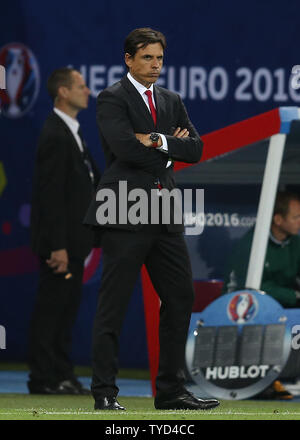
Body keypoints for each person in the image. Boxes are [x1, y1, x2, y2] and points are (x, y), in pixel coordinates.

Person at [84, 27, 220, 411]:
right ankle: (105, 393)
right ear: (128, 59)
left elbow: (195, 148)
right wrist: (168, 147)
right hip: (124, 207)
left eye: (159, 58)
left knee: (180, 297)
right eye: (147, 57)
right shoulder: (112, 97)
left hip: (163, 211)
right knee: (115, 303)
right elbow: (124, 147)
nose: (155, 65)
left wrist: (158, 140)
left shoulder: (171, 99)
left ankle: (171, 391)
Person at [28, 67, 101, 395]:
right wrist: (56, 246)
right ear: (63, 93)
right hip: (61, 246)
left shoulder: (72, 131)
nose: (88, 91)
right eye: (81, 86)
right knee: (52, 311)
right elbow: (51, 195)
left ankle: (61, 374)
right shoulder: (56, 134)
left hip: (75, 243)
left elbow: (86, 183)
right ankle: (44, 378)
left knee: (65, 310)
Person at [222, 190, 300, 399]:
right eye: (296, 217)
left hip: (283, 308)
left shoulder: (295, 243)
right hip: (243, 312)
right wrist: (295, 296)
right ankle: (260, 380)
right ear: (278, 219)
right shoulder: (252, 244)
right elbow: (250, 289)